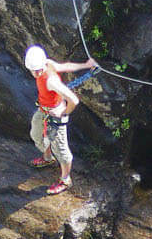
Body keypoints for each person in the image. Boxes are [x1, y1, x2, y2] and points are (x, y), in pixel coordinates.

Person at [24, 44, 97, 195]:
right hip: (43, 110)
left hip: (55, 115)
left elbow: (73, 100)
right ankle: (48, 157)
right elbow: (66, 67)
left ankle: (65, 179)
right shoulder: (48, 64)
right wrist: (86, 65)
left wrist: (64, 113)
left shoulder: (51, 80)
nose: (37, 73)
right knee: (37, 134)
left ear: (43, 64)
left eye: (39, 69)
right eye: (34, 70)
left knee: (61, 150)